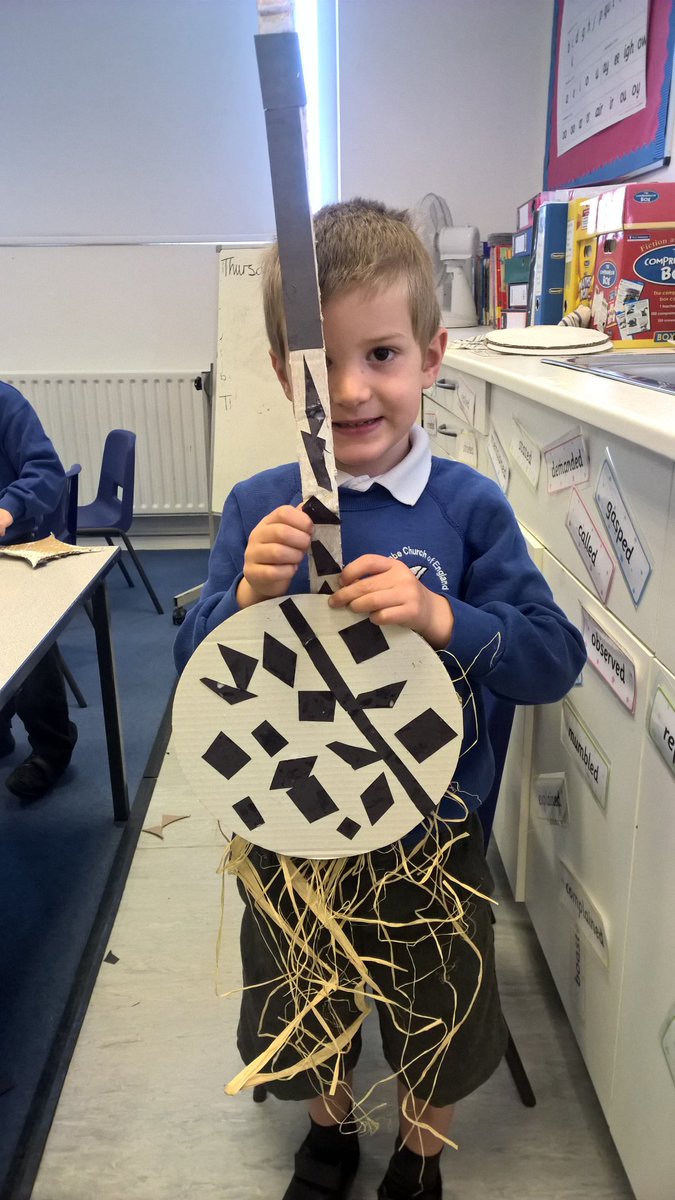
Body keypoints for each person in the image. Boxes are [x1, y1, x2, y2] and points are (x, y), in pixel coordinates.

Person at [174, 199, 586, 1200]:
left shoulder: (469, 510)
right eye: (323, 368)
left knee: (435, 1008)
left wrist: (447, 620)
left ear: (432, 357)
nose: (353, 392)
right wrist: (242, 599)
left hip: (434, 836)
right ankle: (327, 1131)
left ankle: (417, 1150)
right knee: (304, 990)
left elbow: (551, 660)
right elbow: (195, 674)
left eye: (385, 355)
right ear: (283, 372)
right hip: (292, 827)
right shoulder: (255, 507)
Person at [0, 381, 78, 799]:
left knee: (30, 642)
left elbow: (47, 473)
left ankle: (52, 747)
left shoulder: (5, 401)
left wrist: (7, 510)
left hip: (15, 545)